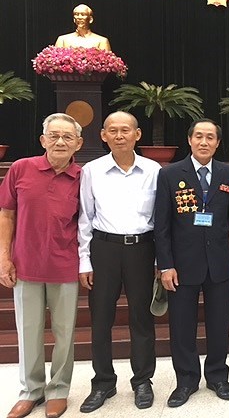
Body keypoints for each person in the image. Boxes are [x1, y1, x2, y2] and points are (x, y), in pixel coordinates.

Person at [0, 113, 83, 418]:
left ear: (78, 143)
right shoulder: (21, 168)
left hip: (65, 265)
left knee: (64, 332)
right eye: (54, 135)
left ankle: (59, 389)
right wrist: (4, 257)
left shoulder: (83, 177)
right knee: (28, 330)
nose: (60, 141)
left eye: (67, 136)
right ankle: (31, 391)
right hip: (26, 264)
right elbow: (6, 214)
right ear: (43, 140)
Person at [77, 111, 161, 412]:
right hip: (104, 250)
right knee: (101, 319)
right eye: (112, 130)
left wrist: (160, 260)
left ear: (137, 135)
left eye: (126, 130)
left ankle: (142, 381)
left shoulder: (153, 170)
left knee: (142, 318)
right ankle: (103, 382)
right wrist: (84, 261)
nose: (119, 135)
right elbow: (85, 217)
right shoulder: (92, 171)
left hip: (142, 249)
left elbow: (160, 219)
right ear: (103, 135)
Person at [154, 119, 229, 407]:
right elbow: (161, 224)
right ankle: (186, 380)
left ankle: (217, 376)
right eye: (199, 136)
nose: (204, 142)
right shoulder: (170, 174)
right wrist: (166, 265)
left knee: (219, 324)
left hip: (218, 263)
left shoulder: (228, 174)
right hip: (181, 264)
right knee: (181, 326)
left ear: (218, 143)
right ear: (189, 140)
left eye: (210, 137)